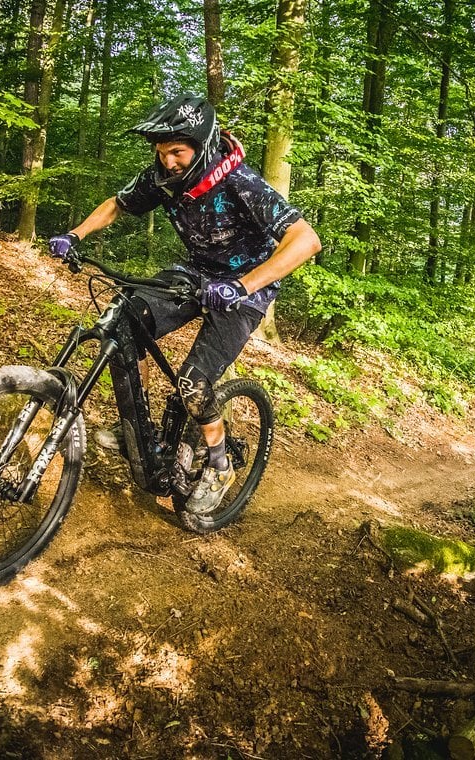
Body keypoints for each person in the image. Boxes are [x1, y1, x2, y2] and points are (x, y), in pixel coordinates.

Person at [48, 93, 321, 514]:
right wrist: (75, 235)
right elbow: (116, 205)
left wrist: (243, 286)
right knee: (124, 320)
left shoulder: (240, 182)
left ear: (203, 145)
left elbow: (305, 240)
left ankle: (218, 463)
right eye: (161, 152)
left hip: (246, 289)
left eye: (177, 151)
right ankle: (138, 430)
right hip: (195, 273)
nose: (168, 161)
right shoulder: (163, 179)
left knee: (193, 383)